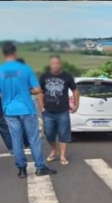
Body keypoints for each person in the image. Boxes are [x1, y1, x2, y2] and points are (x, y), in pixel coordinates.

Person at [0, 42, 57, 178]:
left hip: (9, 110)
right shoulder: (25, 69)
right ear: (15, 53)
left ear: (4, 53)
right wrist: (26, 90)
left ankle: (21, 169)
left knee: (16, 140)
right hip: (26, 108)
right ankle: (40, 167)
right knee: (33, 139)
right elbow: (37, 90)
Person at [37, 55, 79, 165]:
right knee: (49, 133)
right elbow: (40, 92)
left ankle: (62, 156)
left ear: (60, 64)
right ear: (50, 64)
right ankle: (53, 150)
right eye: (53, 63)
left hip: (63, 111)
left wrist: (76, 104)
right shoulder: (44, 76)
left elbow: (75, 91)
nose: (55, 66)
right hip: (48, 111)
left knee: (63, 133)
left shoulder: (67, 76)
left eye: (57, 63)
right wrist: (41, 107)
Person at [16, 58, 31, 149]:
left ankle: (21, 143)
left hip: (13, 106)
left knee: (18, 127)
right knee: (26, 125)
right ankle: (27, 142)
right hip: (26, 104)